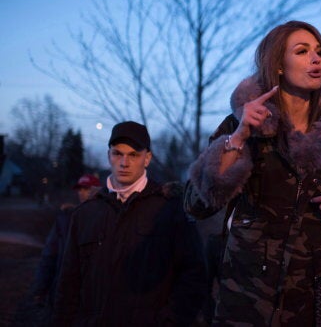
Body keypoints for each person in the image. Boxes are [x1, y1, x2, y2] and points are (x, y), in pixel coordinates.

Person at [184, 21, 321, 325]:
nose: (316, 59)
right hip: (247, 293)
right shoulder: (241, 123)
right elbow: (196, 204)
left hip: (316, 294)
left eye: (319, 52)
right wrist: (240, 135)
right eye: (302, 51)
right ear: (279, 65)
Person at [51, 121, 206, 326]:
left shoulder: (170, 210)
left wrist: (170, 321)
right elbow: (68, 282)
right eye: (117, 153)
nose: (124, 162)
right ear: (109, 156)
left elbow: (193, 274)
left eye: (133, 155)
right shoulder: (85, 214)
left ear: (147, 158)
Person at [32, 174, 101, 308]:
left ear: (97, 191)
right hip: (65, 287)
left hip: (94, 292)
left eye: (86, 189)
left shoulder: (105, 218)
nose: (82, 193)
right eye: (80, 189)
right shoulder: (65, 219)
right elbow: (50, 255)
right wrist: (41, 288)